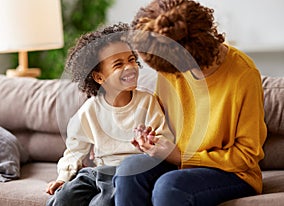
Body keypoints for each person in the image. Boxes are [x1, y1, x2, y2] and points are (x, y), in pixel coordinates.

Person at [113, 0, 267, 206]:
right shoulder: (169, 66)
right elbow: (164, 124)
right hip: (178, 162)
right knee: (130, 170)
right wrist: (151, 139)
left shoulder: (243, 75)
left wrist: (182, 157)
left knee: (170, 187)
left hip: (232, 173)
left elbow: (246, 156)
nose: (166, 74)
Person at [45, 22, 174, 206]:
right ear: (99, 77)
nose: (129, 67)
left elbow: (164, 138)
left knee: (102, 202)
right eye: (118, 64)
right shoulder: (89, 110)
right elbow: (75, 151)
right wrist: (63, 178)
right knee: (64, 197)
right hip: (98, 172)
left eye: (131, 60)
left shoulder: (147, 101)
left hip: (128, 175)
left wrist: (151, 142)